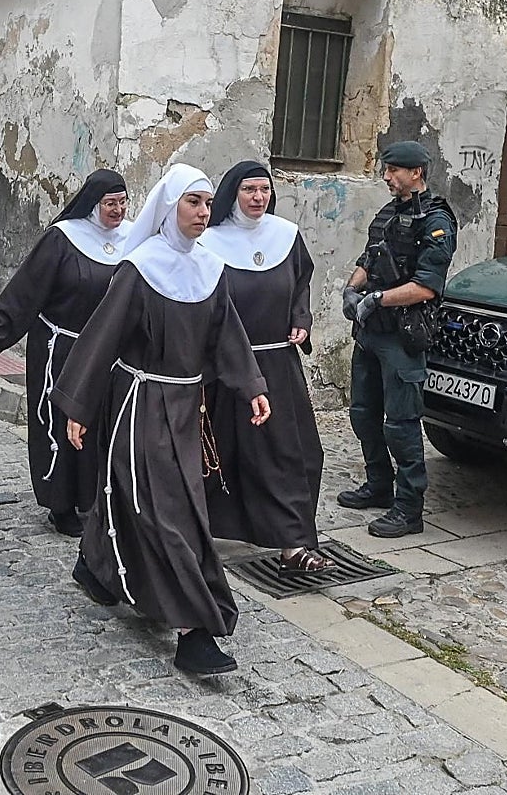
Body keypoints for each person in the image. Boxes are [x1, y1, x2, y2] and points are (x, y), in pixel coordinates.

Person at [51, 163, 270, 676]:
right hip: (140, 405)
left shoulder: (210, 269)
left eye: (208, 203)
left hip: (187, 407)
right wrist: (78, 407)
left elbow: (227, 336)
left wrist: (252, 387)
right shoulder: (140, 267)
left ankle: (100, 568)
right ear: (170, 207)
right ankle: (196, 630)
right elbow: (100, 338)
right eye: (193, 202)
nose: (203, 212)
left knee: (149, 501)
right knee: (169, 512)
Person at [0, 169, 131, 537]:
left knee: (99, 426)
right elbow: (28, 288)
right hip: (59, 347)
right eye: (111, 203)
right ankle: (59, 504)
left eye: (123, 202)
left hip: (105, 351)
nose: (118, 210)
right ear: (93, 205)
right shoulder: (63, 239)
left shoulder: (133, 238)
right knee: (60, 425)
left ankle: (94, 497)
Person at [197, 161, 330, 573]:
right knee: (223, 456)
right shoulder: (209, 242)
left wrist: (301, 319)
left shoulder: (286, 236)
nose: (258, 198)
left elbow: (301, 283)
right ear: (232, 195)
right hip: (226, 370)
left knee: (298, 454)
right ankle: (200, 533)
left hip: (277, 364)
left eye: (264, 190)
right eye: (249, 190)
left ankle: (294, 543)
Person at [340, 141, 458, 538]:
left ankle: (409, 509)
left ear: (416, 173)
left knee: (402, 424)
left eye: (393, 171)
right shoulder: (389, 213)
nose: (387, 177)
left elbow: (426, 286)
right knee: (362, 413)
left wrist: (378, 299)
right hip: (370, 333)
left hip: (403, 337)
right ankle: (378, 486)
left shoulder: (436, 221)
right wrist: (352, 290)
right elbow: (367, 259)